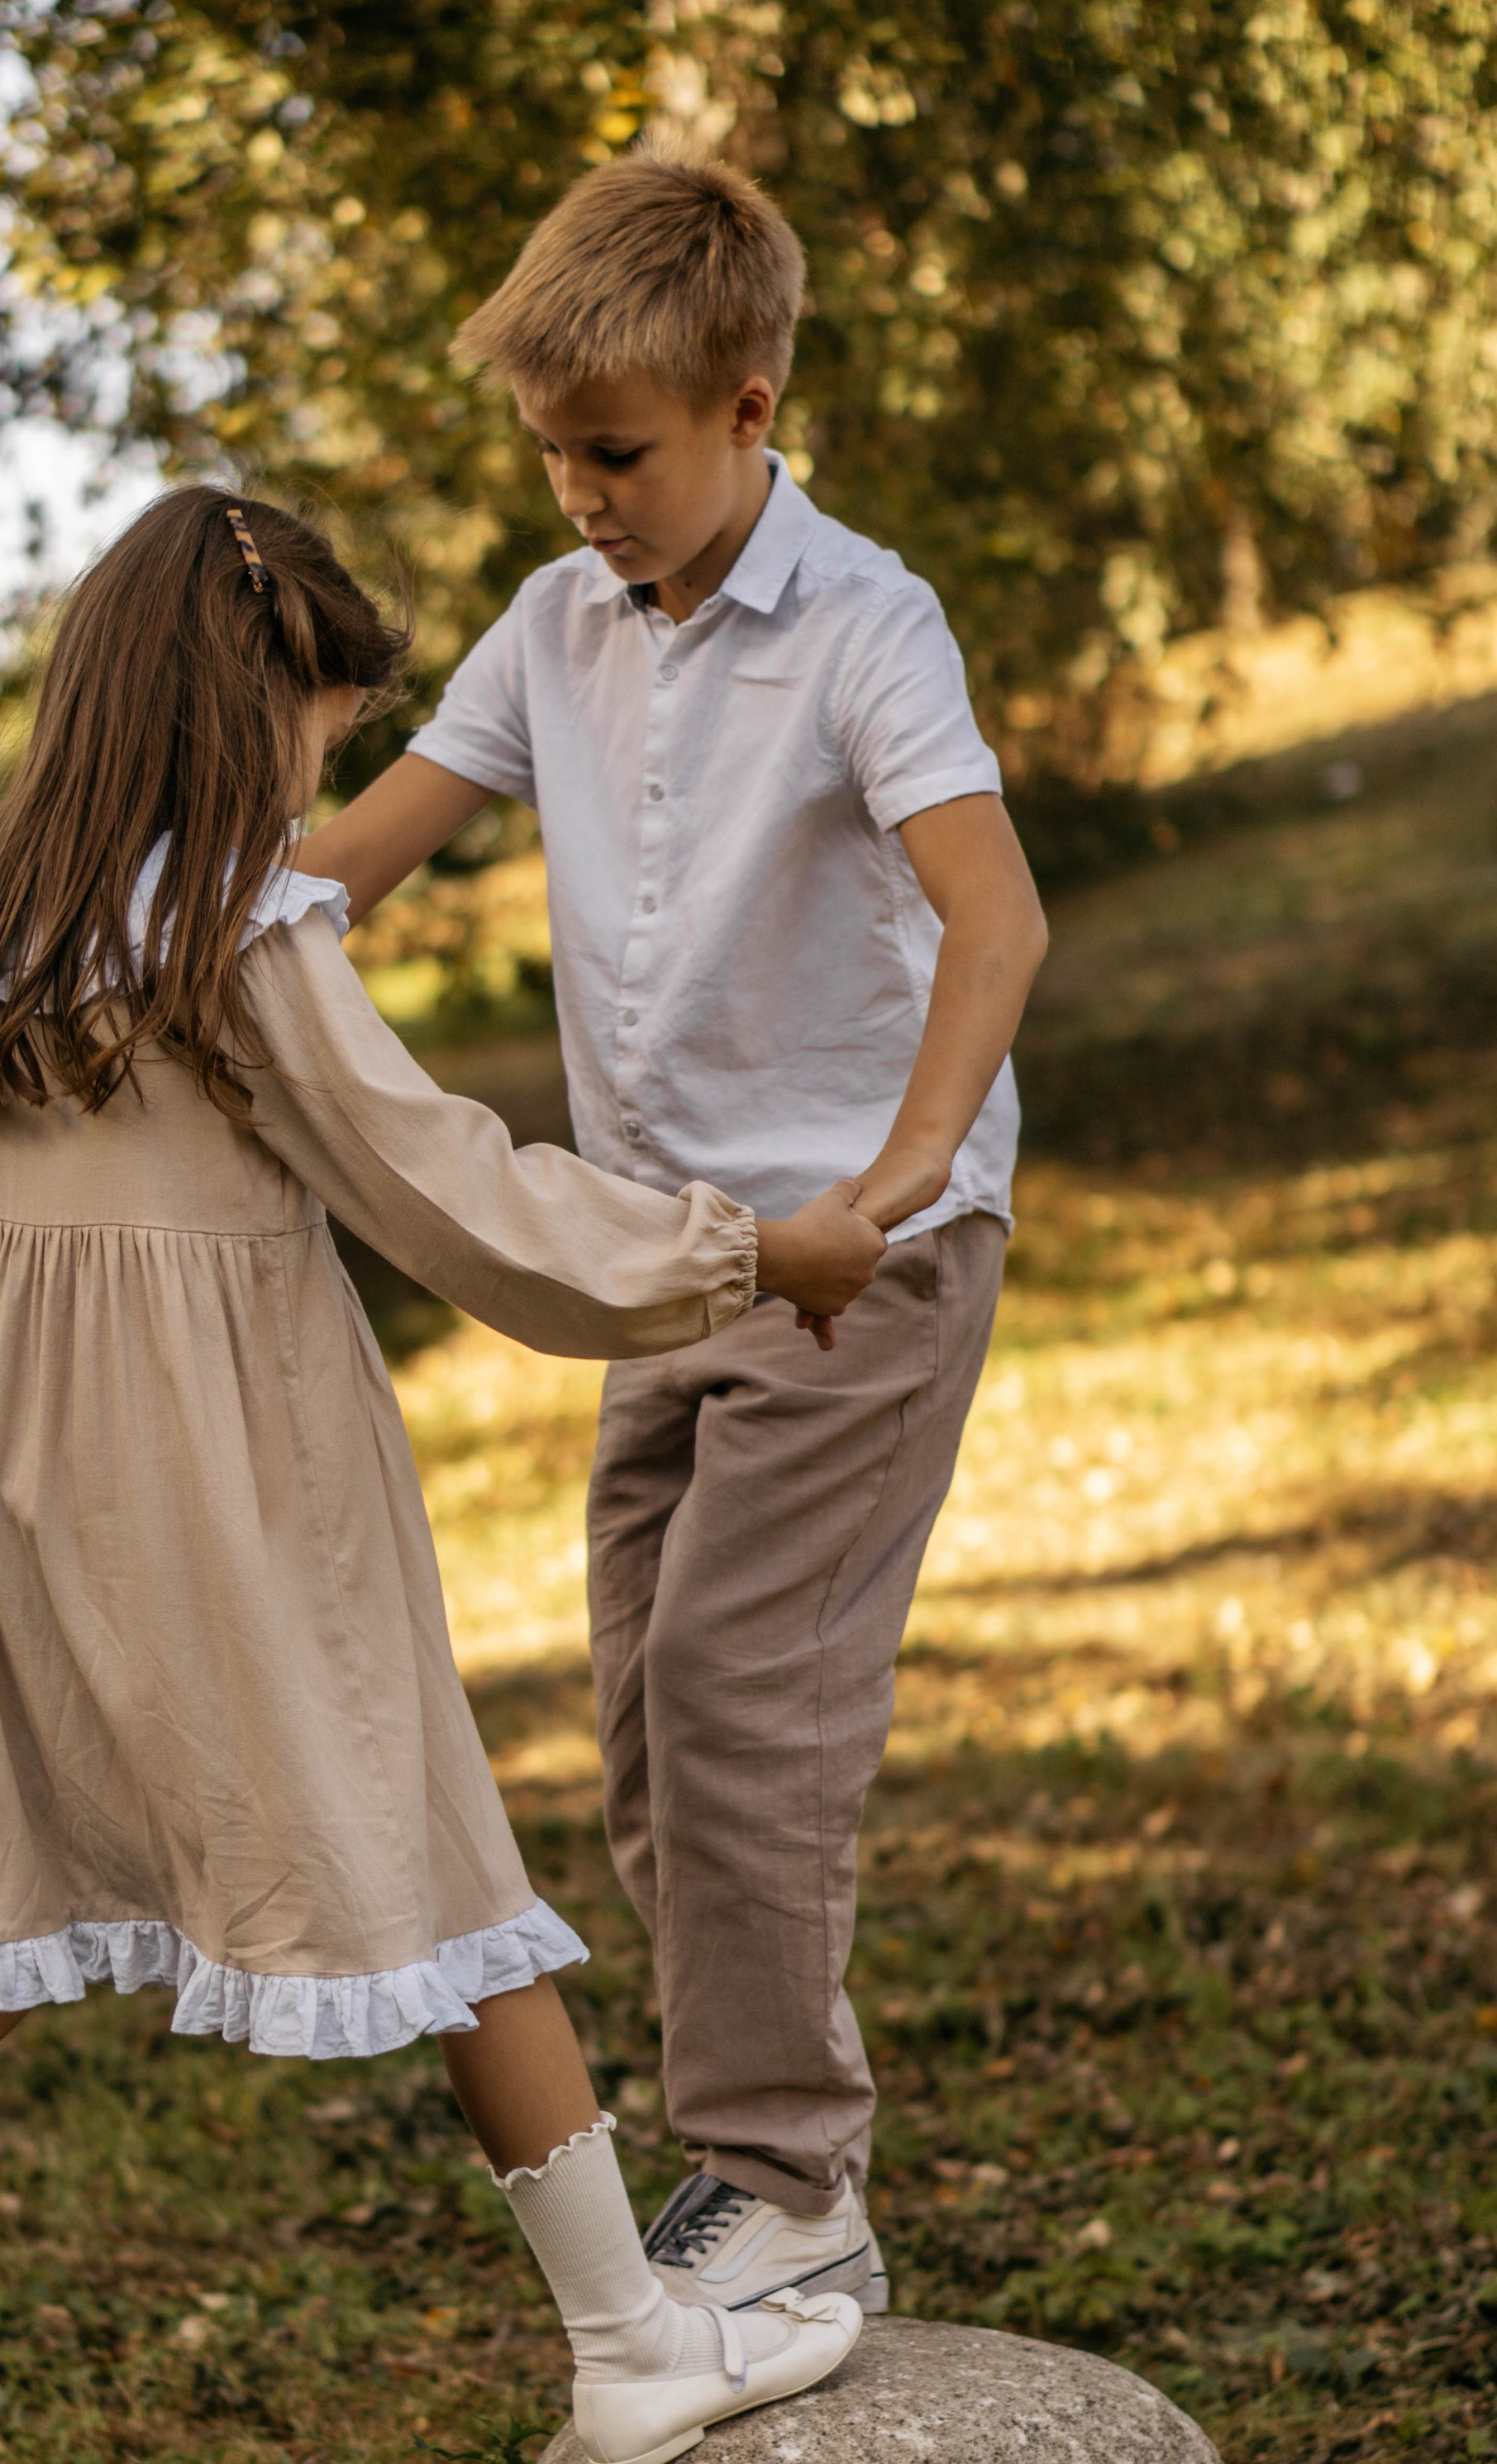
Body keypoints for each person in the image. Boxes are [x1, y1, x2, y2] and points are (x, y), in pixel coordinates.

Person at [0, 486, 875, 2464]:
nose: (320, 780)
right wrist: (740, 1254)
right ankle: (632, 2349)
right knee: (438, 1863)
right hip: (236, 1508)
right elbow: (450, 1196)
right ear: (245, 714)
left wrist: (7, 1373)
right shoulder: (239, 941)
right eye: (316, 736)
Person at [294, 141, 1050, 2321]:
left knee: (737, 1689)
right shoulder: (555, 628)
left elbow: (994, 920)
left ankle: (786, 2177)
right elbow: (354, 865)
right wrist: (143, 919)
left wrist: (888, 1193)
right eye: (548, 455)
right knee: (641, 1706)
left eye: (614, 452)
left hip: (856, 1258)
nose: (579, 496)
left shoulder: (866, 621)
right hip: (670, 1265)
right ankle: (752, 2147)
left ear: (747, 404)